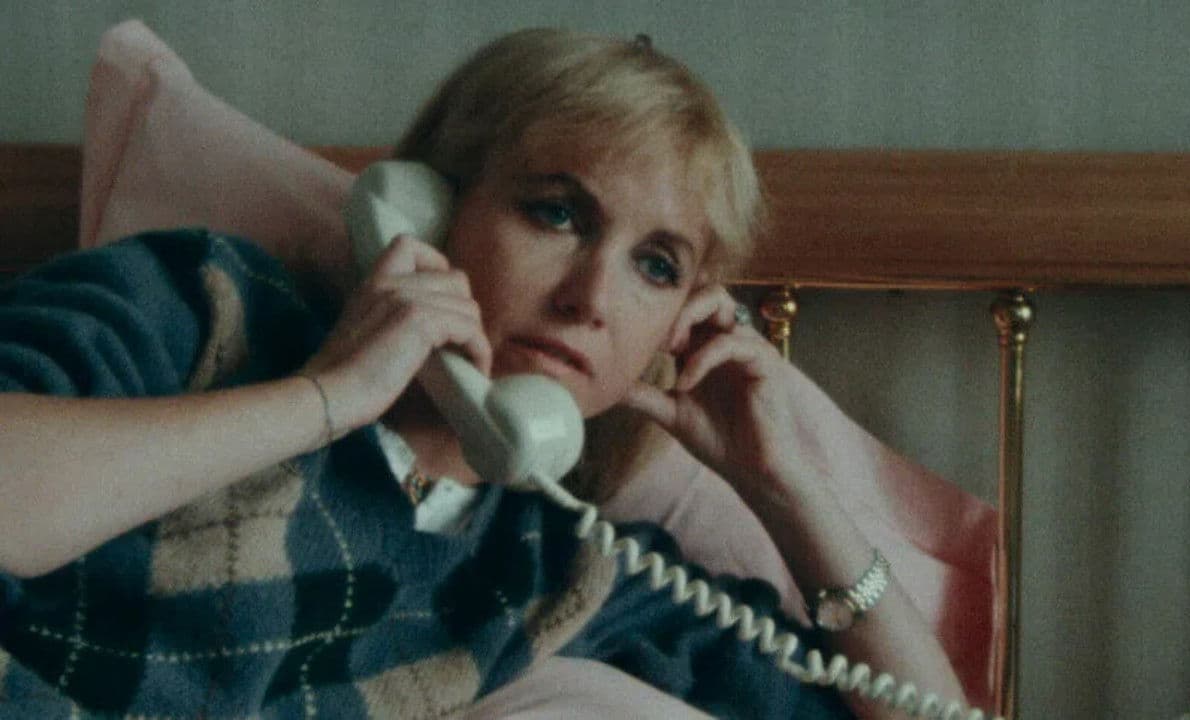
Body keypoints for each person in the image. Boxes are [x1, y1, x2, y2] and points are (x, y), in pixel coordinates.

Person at [0, 28, 969, 719]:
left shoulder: (561, 570)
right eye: (557, 213)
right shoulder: (201, 300)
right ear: (426, 207)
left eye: (655, 265)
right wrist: (327, 398)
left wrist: (786, 487)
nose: (591, 296)